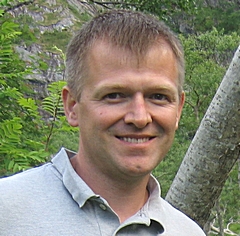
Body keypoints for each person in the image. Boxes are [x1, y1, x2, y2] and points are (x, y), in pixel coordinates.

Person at [0, 10, 206, 236]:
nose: (139, 117)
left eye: (158, 97)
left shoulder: (188, 232)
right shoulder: (7, 212)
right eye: (115, 95)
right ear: (72, 106)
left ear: (178, 110)